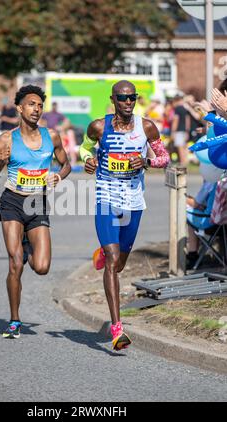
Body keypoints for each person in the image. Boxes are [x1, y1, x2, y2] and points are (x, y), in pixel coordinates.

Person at [79, 80, 170, 350]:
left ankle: (103, 255)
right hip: (107, 197)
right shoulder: (98, 126)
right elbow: (85, 148)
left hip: (133, 201)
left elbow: (165, 158)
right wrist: (88, 159)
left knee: (119, 264)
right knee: (113, 259)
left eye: (132, 98)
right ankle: (118, 330)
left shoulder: (147, 127)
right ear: (113, 99)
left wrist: (148, 161)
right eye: (123, 98)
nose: (128, 102)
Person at [0, 85, 71, 339]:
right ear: (20, 108)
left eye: (40, 105)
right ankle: (14, 320)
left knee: (41, 267)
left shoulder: (51, 136)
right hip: (12, 202)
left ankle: (25, 242)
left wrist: (57, 176)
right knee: (15, 264)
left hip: (37, 203)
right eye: (31, 104)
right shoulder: (7, 140)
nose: (37, 109)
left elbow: (66, 164)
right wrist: (0, 161)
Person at [186, 181, 217, 269]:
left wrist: (183, 197)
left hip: (211, 223)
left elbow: (195, 203)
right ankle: (193, 253)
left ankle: (192, 254)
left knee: (185, 211)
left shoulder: (211, 181)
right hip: (222, 224)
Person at [171, 94, 191, 166]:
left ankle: (182, 162)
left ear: (176, 101)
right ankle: (185, 161)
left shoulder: (177, 108)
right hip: (184, 130)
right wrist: (187, 131)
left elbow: (176, 120)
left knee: (180, 147)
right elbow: (187, 120)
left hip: (178, 130)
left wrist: (173, 131)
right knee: (184, 147)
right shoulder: (185, 108)